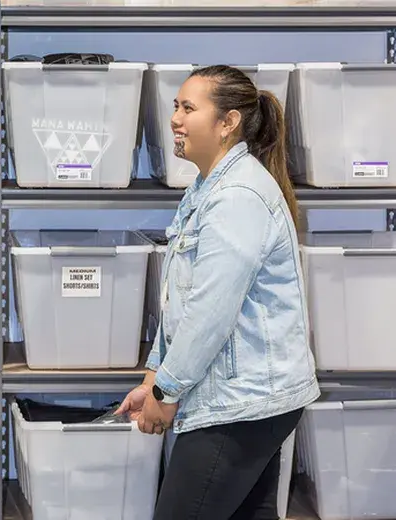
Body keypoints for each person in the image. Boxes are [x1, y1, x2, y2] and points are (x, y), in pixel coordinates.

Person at [116, 65, 320, 519]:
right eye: (175, 107)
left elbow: (210, 313)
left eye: (189, 108)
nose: (174, 119)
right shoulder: (207, 189)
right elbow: (181, 301)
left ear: (227, 123)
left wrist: (165, 394)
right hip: (244, 397)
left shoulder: (237, 197)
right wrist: (154, 378)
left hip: (240, 403)